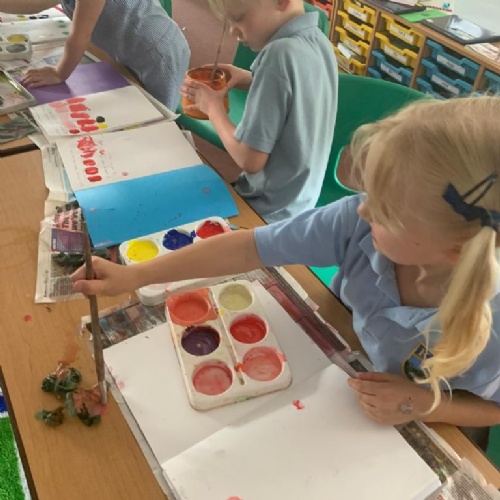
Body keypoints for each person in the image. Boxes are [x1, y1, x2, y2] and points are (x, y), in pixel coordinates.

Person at [72, 96, 500, 446]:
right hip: (345, 353)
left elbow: (492, 410)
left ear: (455, 250)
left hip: (425, 416)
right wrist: (136, 276)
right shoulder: (356, 222)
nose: (364, 210)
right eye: (370, 194)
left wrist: (422, 405)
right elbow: (248, 247)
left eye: (385, 213)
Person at [181, 0, 338, 223]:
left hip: (264, 213)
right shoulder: (319, 41)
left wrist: (214, 109)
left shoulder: (277, 54)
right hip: (300, 205)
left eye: (239, 18)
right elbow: (296, 95)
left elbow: (249, 159)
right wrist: (249, 78)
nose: (233, 31)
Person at [0, 0, 190, 111]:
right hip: (128, 50)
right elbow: (35, 3)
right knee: (137, 108)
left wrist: (59, 73)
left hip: (159, 55)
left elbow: (79, 37)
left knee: (160, 119)